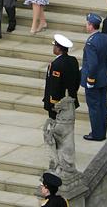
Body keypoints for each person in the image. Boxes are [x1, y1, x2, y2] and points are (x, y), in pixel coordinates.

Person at [42, 34, 80, 177]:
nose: (53, 48)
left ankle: (59, 159)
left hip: (58, 105)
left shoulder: (57, 64)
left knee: (57, 132)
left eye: (54, 46)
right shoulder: (72, 60)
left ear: (59, 48)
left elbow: (55, 86)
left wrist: (53, 102)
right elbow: (76, 80)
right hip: (69, 100)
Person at [80, 13, 107, 141]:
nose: (86, 25)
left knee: (94, 107)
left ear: (90, 26)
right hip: (103, 77)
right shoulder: (105, 37)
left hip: (94, 79)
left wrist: (90, 79)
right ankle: (102, 131)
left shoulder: (91, 43)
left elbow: (92, 64)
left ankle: (97, 134)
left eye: (87, 23)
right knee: (102, 106)